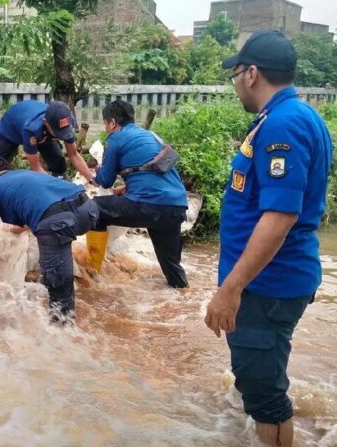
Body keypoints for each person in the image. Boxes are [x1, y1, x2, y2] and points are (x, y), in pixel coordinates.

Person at [205, 31, 332, 447]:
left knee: (266, 397)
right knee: (260, 384)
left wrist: (231, 289)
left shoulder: (284, 124)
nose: (236, 82)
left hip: (266, 286)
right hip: (268, 283)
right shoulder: (287, 116)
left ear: (253, 73)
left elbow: (279, 217)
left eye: (236, 74)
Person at [0, 157, 99, 321]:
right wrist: (21, 229)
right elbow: (42, 204)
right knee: (56, 266)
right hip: (88, 210)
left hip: (58, 222)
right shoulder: (26, 174)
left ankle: (61, 335)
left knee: (57, 284)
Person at [92, 99, 189, 288]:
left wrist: (98, 167)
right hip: (176, 207)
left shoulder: (115, 138)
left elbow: (105, 181)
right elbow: (151, 173)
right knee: (171, 267)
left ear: (112, 122)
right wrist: (127, 188)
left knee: (93, 208)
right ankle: (183, 294)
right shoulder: (151, 136)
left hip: (148, 205)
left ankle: (93, 272)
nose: (106, 128)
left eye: (105, 123)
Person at [0, 100, 96, 212]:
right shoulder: (31, 129)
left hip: (44, 135)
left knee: (59, 163)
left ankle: (57, 202)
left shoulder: (65, 121)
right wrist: (57, 189)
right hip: (11, 129)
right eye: (58, 133)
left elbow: (73, 154)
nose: (61, 135)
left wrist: (92, 179)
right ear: (46, 122)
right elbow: (36, 167)